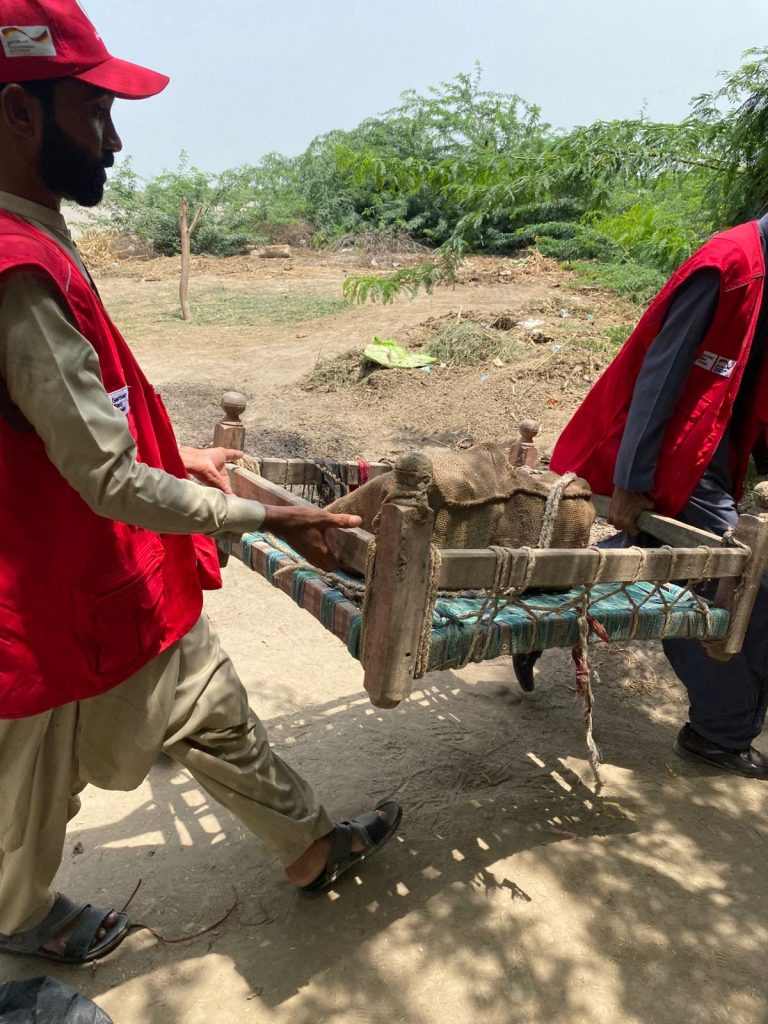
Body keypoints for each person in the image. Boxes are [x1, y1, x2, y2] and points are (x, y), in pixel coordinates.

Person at [0, 0, 401, 966]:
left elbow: (62, 429)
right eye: (92, 111)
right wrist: (264, 514)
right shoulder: (17, 269)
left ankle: (306, 848)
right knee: (28, 781)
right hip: (58, 593)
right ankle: (16, 925)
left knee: (200, 707)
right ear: (18, 113)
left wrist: (180, 459)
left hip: (67, 577)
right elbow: (100, 473)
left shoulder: (33, 239)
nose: (114, 136)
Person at [550, 208, 768, 781]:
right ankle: (717, 734)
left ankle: (555, 590)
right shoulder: (729, 265)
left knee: (678, 565)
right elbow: (660, 372)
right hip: (674, 459)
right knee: (742, 585)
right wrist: (632, 480)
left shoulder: (761, 271)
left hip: (710, 456)